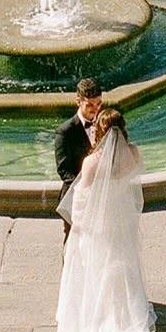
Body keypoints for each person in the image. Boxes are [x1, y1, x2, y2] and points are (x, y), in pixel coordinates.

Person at [56, 108, 156, 332]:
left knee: (97, 271)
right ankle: (126, 317)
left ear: (100, 132)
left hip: (99, 227)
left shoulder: (91, 163)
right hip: (123, 222)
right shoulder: (133, 154)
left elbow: (81, 201)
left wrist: (79, 229)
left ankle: (98, 320)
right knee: (125, 268)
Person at [53, 79, 101, 242]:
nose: (95, 109)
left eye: (99, 104)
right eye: (90, 105)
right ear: (78, 102)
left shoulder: (103, 123)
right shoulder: (65, 131)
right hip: (75, 199)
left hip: (100, 196)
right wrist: (85, 190)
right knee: (73, 244)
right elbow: (63, 170)